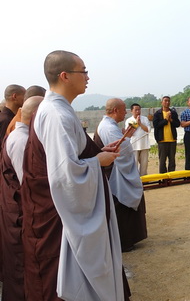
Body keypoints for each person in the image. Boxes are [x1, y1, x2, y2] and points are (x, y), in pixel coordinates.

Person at [20, 50, 127, 300]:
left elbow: (74, 157)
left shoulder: (60, 109)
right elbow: (64, 175)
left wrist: (98, 153)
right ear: (65, 76)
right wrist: (97, 161)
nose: (88, 77)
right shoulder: (56, 114)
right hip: (60, 215)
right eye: (83, 71)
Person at [0, 95, 43, 300]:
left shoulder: (26, 137)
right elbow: (27, 184)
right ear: (36, 115)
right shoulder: (21, 141)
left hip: (22, 213)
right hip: (20, 216)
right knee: (21, 270)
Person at [96, 98, 147, 252]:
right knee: (121, 205)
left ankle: (129, 238)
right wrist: (127, 139)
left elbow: (120, 144)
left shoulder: (110, 126)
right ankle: (125, 241)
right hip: (115, 174)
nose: (126, 112)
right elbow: (121, 151)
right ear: (116, 110)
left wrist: (126, 136)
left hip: (116, 170)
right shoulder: (108, 127)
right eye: (124, 109)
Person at [153, 96, 180, 173]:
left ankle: (171, 177)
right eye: (165, 101)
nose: (167, 102)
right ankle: (163, 178)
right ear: (162, 102)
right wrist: (165, 120)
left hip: (172, 140)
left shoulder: (173, 113)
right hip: (162, 140)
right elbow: (156, 125)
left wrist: (171, 120)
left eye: (168, 101)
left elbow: (177, 124)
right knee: (162, 160)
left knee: (172, 160)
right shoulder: (157, 114)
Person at [125, 103, 151, 176]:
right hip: (134, 145)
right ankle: (135, 179)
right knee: (134, 163)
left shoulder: (144, 119)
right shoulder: (129, 120)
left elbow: (148, 130)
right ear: (131, 111)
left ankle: (144, 179)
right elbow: (129, 133)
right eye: (136, 110)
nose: (138, 111)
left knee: (144, 163)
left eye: (139, 110)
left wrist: (140, 124)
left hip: (144, 144)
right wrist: (136, 123)